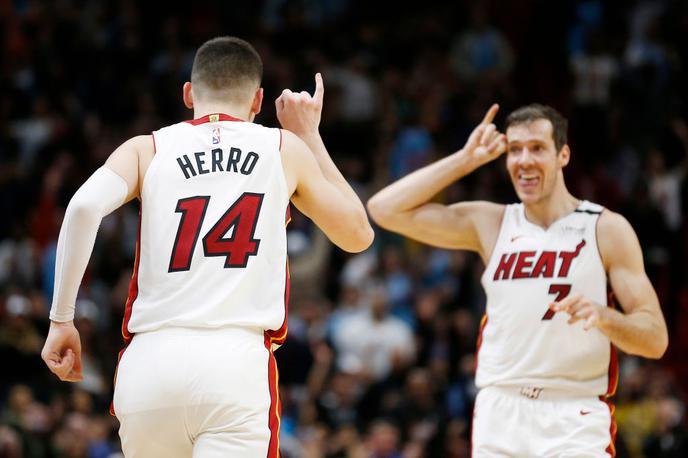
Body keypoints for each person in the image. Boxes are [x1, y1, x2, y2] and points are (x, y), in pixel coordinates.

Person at [40, 36, 374, 457]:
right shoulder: (281, 148)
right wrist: (308, 133)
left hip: (149, 365)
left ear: (187, 93)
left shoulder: (148, 148)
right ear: (258, 100)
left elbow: (84, 206)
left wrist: (61, 320)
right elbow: (357, 235)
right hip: (232, 363)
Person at [367, 103, 668, 457]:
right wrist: (465, 159)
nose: (524, 160)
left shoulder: (606, 228)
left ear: (563, 155)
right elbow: (384, 209)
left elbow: (655, 339)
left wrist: (604, 317)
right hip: (501, 409)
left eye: (537, 148)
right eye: (514, 150)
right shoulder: (491, 223)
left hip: (573, 412)